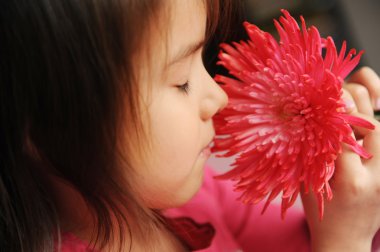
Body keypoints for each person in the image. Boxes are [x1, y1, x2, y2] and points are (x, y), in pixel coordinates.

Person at [1, 0, 380, 251]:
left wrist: (345, 197)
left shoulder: (198, 196)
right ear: (55, 128)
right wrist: (346, 241)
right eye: (182, 80)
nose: (219, 96)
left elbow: (302, 241)